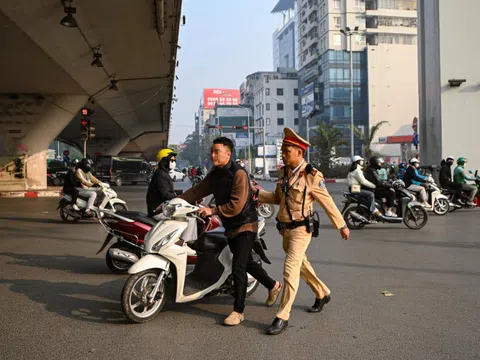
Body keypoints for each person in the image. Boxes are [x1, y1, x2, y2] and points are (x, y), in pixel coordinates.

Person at [254, 127, 350, 336]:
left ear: (299, 152)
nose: (283, 153)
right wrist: (256, 193)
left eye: (287, 150)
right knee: (301, 266)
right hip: (285, 230)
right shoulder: (284, 173)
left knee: (290, 270)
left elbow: (327, 202)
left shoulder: (312, 176)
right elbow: (277, 198)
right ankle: (322, 293)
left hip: (301, 230)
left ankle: (283, 316)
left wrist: (341, 225)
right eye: (283, 150)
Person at [178, 137, 281, 326]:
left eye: (217, 151)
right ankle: (273, 285)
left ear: (228, 153)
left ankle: (238, 311)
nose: (212, 154)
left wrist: (213, 210)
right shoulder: (215, 173)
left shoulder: (238, 174)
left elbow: (236, 205)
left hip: (246, 225)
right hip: (231, 226)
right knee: (247, 263)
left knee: (239, 266)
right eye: (212, 151)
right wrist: (176, 202)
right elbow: (198, 190)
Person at [146, 148, 178, 217]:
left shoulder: (163, 173)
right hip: (158, 212)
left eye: (174, 161)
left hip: (163, 209)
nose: (174, 163)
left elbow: (168, 190)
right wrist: (178, 195)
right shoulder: (160, 175)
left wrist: (181, 192)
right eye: (172, 160)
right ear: (165, 161)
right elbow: (166, 195)